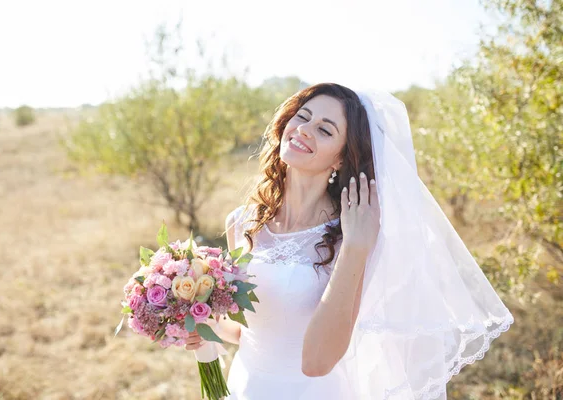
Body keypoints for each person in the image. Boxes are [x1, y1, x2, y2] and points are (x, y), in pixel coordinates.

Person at [184, 83, 514, 399]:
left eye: (325, 130)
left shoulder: (352, 235)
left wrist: (356, 247)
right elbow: (250, 330)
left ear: (340, 159)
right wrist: (198, 321)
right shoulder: (241, 221)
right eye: (303, 116)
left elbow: (317, 362)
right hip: (245, 386)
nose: (304, 129)